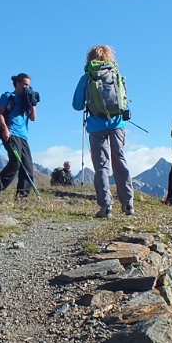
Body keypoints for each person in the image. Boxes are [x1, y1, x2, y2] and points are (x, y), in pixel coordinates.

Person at [72, 45, 134, 218]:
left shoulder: (87, 77)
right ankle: (128, 204)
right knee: (119, 161)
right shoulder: (116, 74)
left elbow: (76, 105)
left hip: (96, 125)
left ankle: (106, 206)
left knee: (102, 165)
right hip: (118, 124)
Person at [0, 73, 38, 199]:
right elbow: (0, 113)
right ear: (18, 83)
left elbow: (33, 118)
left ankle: (22, 196)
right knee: (15, 162)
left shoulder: (26, 100)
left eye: (29, 85)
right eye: (25, 84)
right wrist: (5, 129)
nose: (27, 87)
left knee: (27, 166)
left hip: (24, 136)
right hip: (11, 133)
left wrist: (32, 102)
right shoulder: (9, 96)